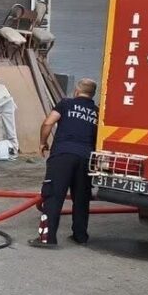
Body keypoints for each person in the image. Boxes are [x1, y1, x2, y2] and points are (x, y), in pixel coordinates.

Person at [30, 78, 99, 248]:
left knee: (53, 195)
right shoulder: (97, 112)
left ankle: (47, 239)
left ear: (76, 90)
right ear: (93, 94)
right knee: (82, 198)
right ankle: (80, 236)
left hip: (63, 156)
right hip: (86, 158)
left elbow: (48, 122)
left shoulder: (66, 104)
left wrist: (42, 142)